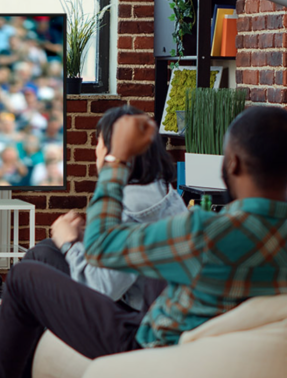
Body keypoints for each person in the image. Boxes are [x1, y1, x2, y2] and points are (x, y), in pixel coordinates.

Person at [0, 106, 287, 378]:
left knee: (26, 276)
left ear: (233, 163)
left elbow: (99, 248)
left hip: (155, 346)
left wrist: (117, 162)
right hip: (228, 343)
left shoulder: (203, 234)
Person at [24, 105, 187, 314]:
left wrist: (69, 243)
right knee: (47, 248)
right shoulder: (164, 191)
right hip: (153, 303)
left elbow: (101, 288)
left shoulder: (126, 205)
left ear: (115, 149)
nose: (96, 150)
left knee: (38, 258)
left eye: (99, 141)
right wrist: (88, 236)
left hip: (132, 317)